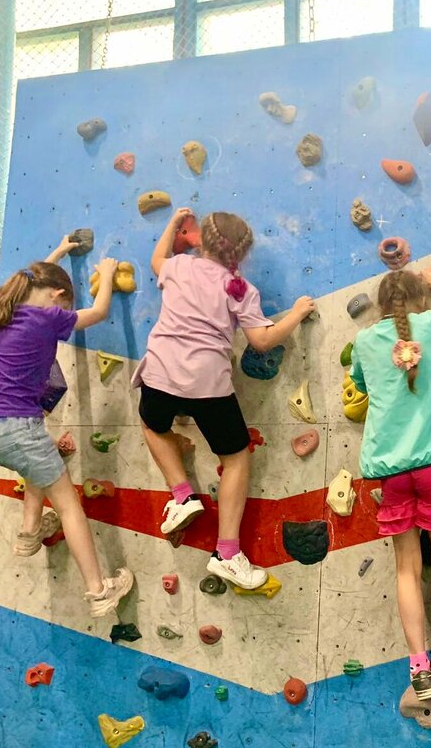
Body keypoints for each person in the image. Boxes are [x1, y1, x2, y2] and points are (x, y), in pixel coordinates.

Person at [133, 208, 315, 589]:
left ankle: (182, 494)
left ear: (201, 239)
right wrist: (297, 313)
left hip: (161, 372)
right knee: (235, 459)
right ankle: (227, 554)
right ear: (242, 255)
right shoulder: (240, 289)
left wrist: (173, 225)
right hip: (207, 384)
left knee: (152, 426)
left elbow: (156, 259)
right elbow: (262, 340)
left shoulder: (179, 266)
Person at [0, 236, 134, 617]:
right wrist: (106, 274)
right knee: (69, 505)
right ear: (57, 296)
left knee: (37, 456)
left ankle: (29, 531)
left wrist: (59, 251)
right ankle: (100, 591)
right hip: (13, 428)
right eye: (65, 303)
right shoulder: (48, 318)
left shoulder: (0, 309)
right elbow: (99, 311)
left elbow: (31, 276)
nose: (66, 311)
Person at [348, 267, 431, 707]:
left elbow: (360, 382)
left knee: (406, 569)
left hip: (393, 471)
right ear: (420, 299)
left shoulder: (365, 341)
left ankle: (419, 669)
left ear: (381, 305)